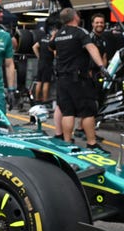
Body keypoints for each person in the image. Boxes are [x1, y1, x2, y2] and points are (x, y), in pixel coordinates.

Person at [52, 8, 107, 151]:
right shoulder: (80, 32)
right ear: (75, 17)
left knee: (68, 112)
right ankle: (92, 144)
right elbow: (92, 48)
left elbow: (51, 47)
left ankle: (67, 143)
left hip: (62, 78)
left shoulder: (58, 34)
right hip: (79, 79)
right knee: (87, 111)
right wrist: (102, 66)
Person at [31, 25, 56, 104]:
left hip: (41, 63)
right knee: (46, 82)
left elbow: (34, 47)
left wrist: (39, 56)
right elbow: (55, 54)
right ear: (54, 31)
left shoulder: (43, 38)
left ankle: (37, 100)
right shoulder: (53, 41)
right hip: (48, 63)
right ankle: (45, 101)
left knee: (39, 81)